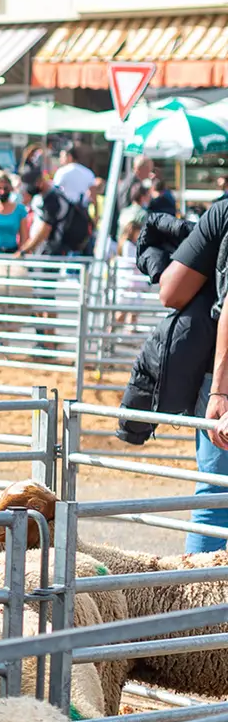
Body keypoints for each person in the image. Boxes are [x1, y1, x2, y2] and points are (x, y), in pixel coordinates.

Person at [157, 194, 228, 550]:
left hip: (223, 380)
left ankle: (205, 603)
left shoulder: (223, 211)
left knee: (215, 501)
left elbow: (171, 291)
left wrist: (220, 391)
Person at [17, 170, 92, 258]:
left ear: (39, 182)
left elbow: (45, 230)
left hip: (59, 249)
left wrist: (24, 250)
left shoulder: (52, 200)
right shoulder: (55, 193)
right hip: (59, 247)